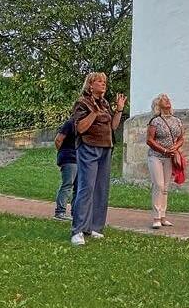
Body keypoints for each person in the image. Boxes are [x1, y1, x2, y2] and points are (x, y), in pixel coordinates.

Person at [70, 71, 126, 246]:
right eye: (99, 81)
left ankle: (94, 227)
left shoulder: (105, 103)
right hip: (88, 147)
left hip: (105, 148)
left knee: (101, 189)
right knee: (86, 188)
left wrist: (119, 109)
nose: (103, 84)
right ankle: (78, 230)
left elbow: (113, 126)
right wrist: (93, 112)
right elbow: (80, 128)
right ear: (90, 85)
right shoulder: (82, 102)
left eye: (104, 82)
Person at [146, 94, 184, 229]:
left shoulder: (177, 120)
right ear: (158, 104)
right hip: (156, 156)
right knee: (159, 185)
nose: (167, 100)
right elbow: (149, 140)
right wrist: (164, 150)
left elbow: (181, 138)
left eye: (168, 99)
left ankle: (163, 216)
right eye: (163, 99)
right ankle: (156, 217)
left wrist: (176, 147)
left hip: (169, 157)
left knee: (166, 187)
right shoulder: (155, 121)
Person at [53, 118, 77, 221]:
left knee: (78, 187)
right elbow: (58, 140)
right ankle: (60, 212)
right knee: (67, 185)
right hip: (69, 158)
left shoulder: (84, 124)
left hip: (79, 159)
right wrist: (64, 152)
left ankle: (75, 212)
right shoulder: (70, 123)